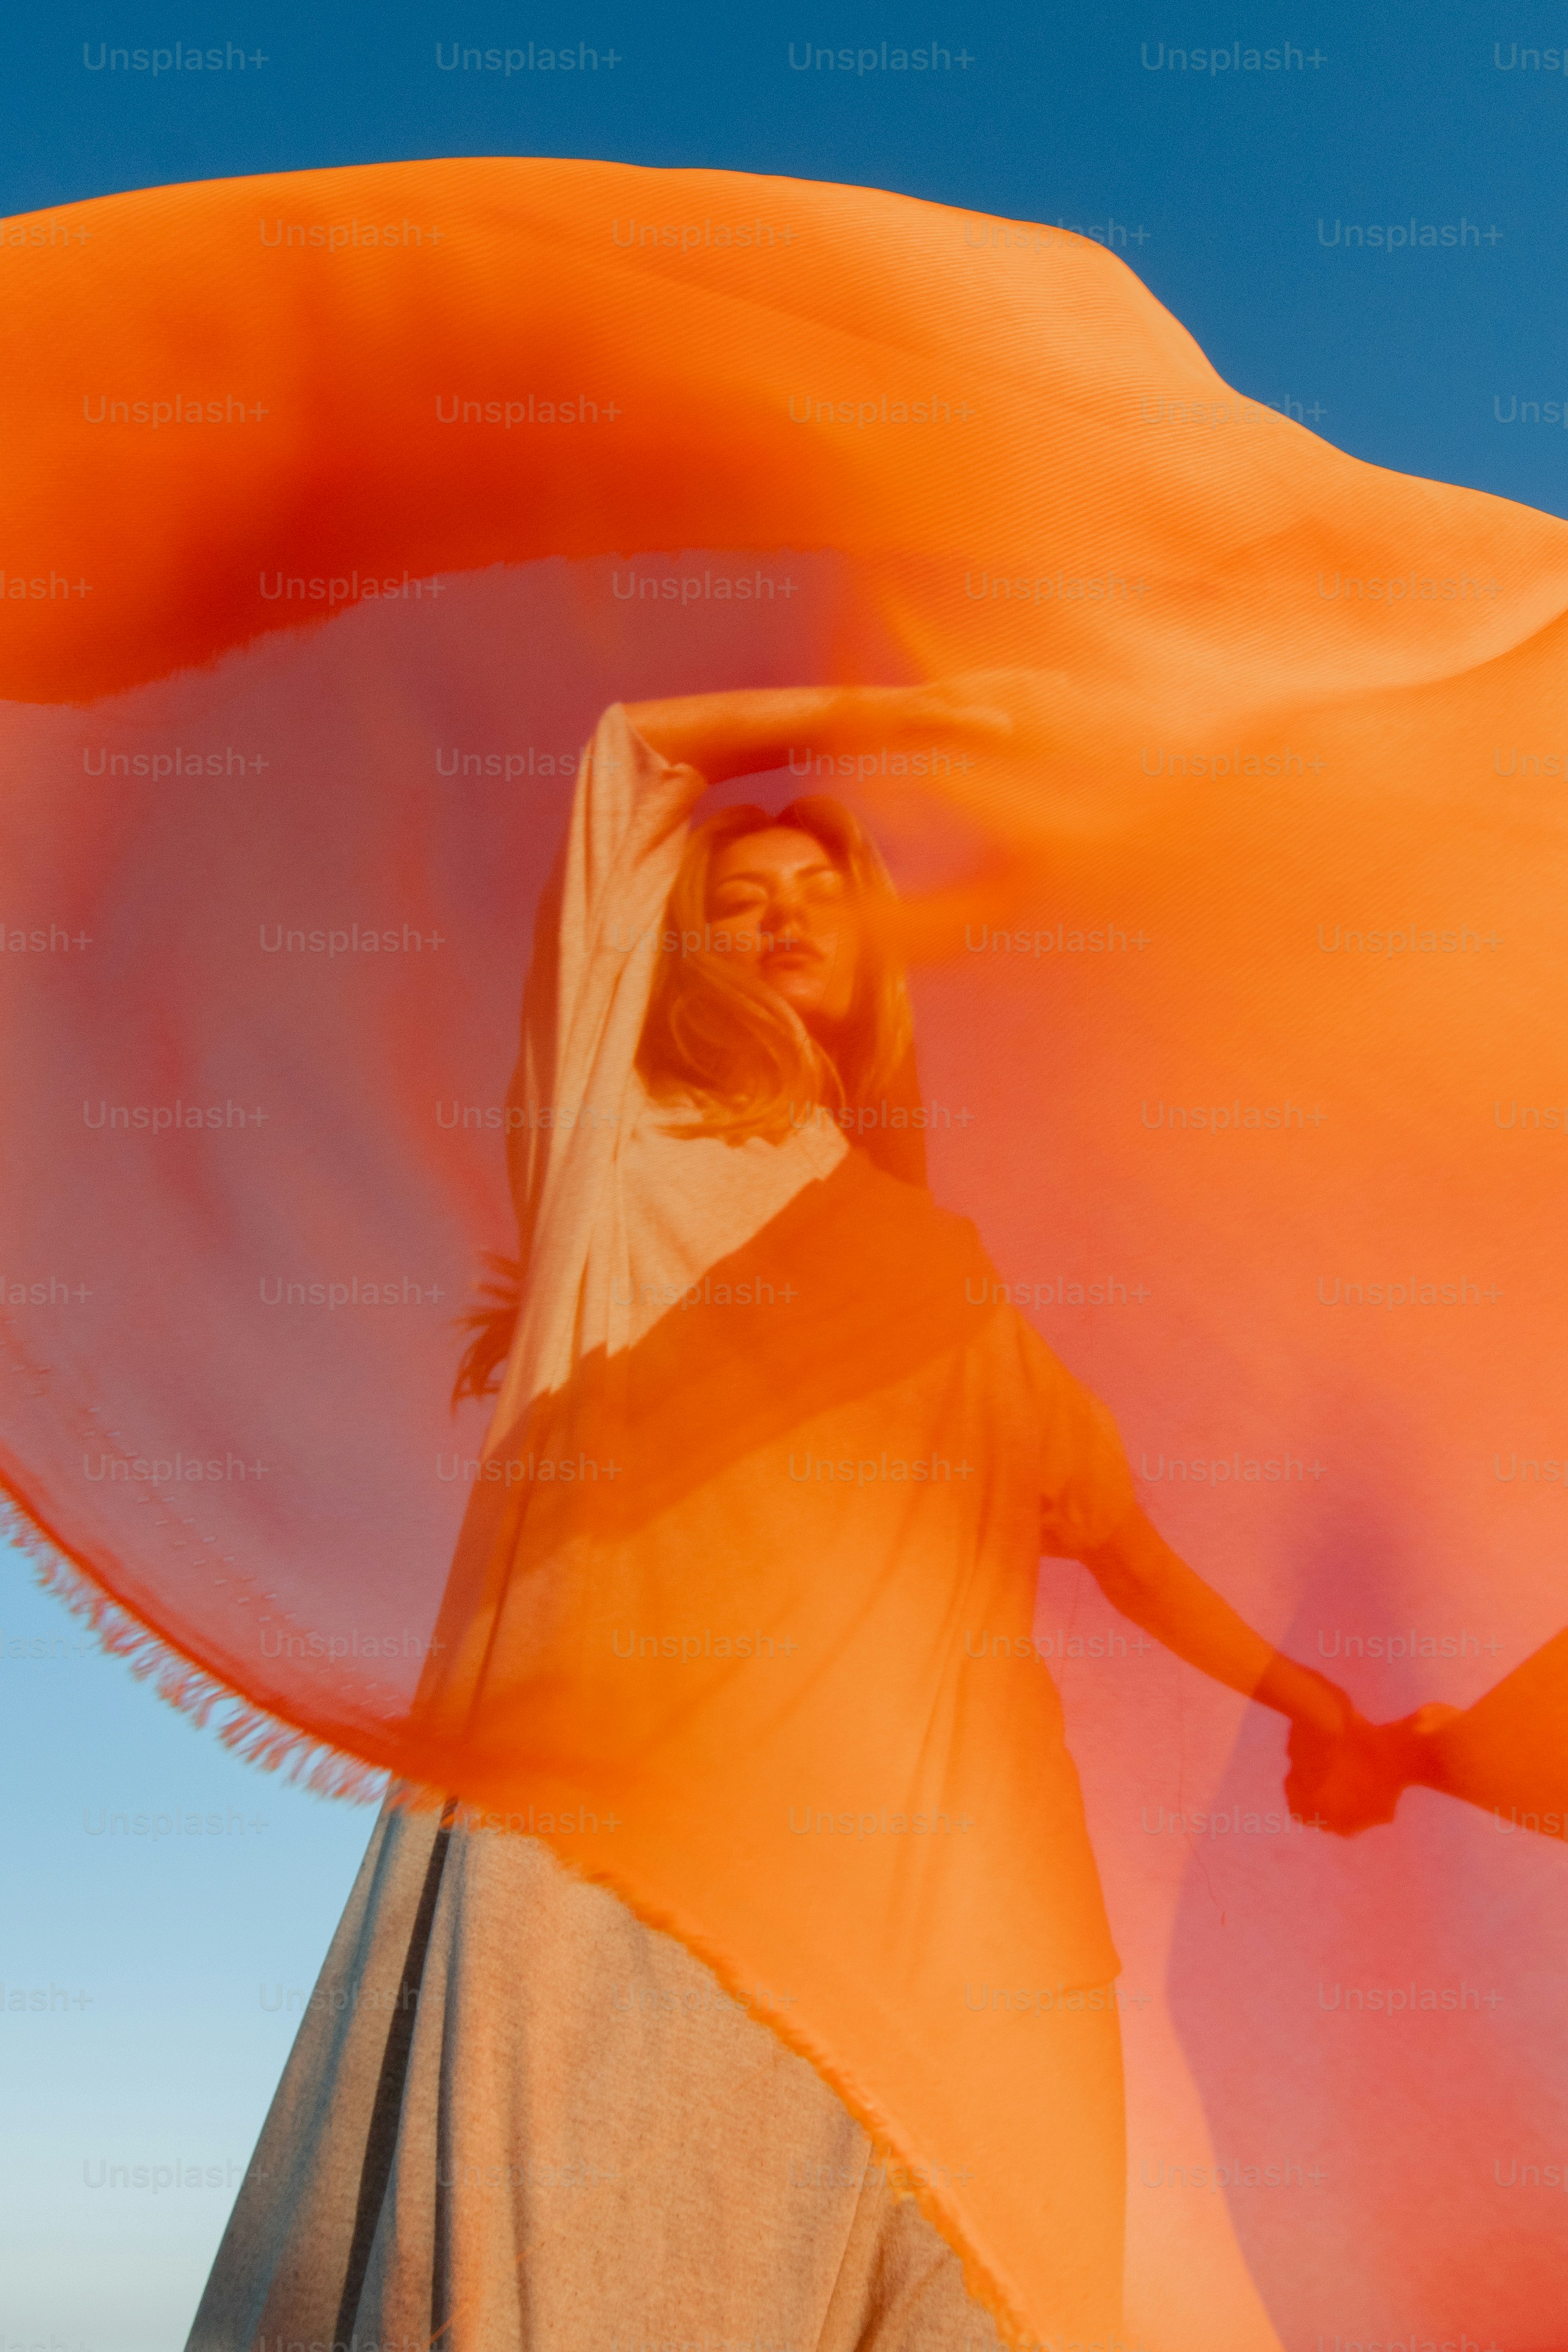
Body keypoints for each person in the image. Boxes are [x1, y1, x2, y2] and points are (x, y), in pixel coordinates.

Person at [186, 685, 1417, 2352]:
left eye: (817, 894)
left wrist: (1315, 1702)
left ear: (873, 959)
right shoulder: (611, 1166)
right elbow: (627, 753)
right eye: (738, 901)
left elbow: (1125, 1547)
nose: (776, 918)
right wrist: (918, 710)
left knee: (987, 2302)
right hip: (644, 1880)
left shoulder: (949, 1287)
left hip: (964, 1896)